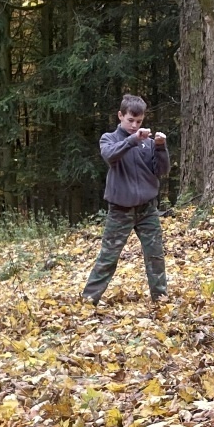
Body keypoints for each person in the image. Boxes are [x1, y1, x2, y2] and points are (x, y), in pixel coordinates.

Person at [83, 94, 170, 304]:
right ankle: (89, 299)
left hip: (147, 209)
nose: (134, 125)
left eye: (139, 121)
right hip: (120, 209)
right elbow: (110, 155)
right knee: (108, 256)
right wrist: (132, 140)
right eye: (130, 120)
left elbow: (162, 170)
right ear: (120, 116)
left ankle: (161, 298)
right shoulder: (109, 139)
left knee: (155, 255)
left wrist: (160, 147)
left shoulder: (148, 143)